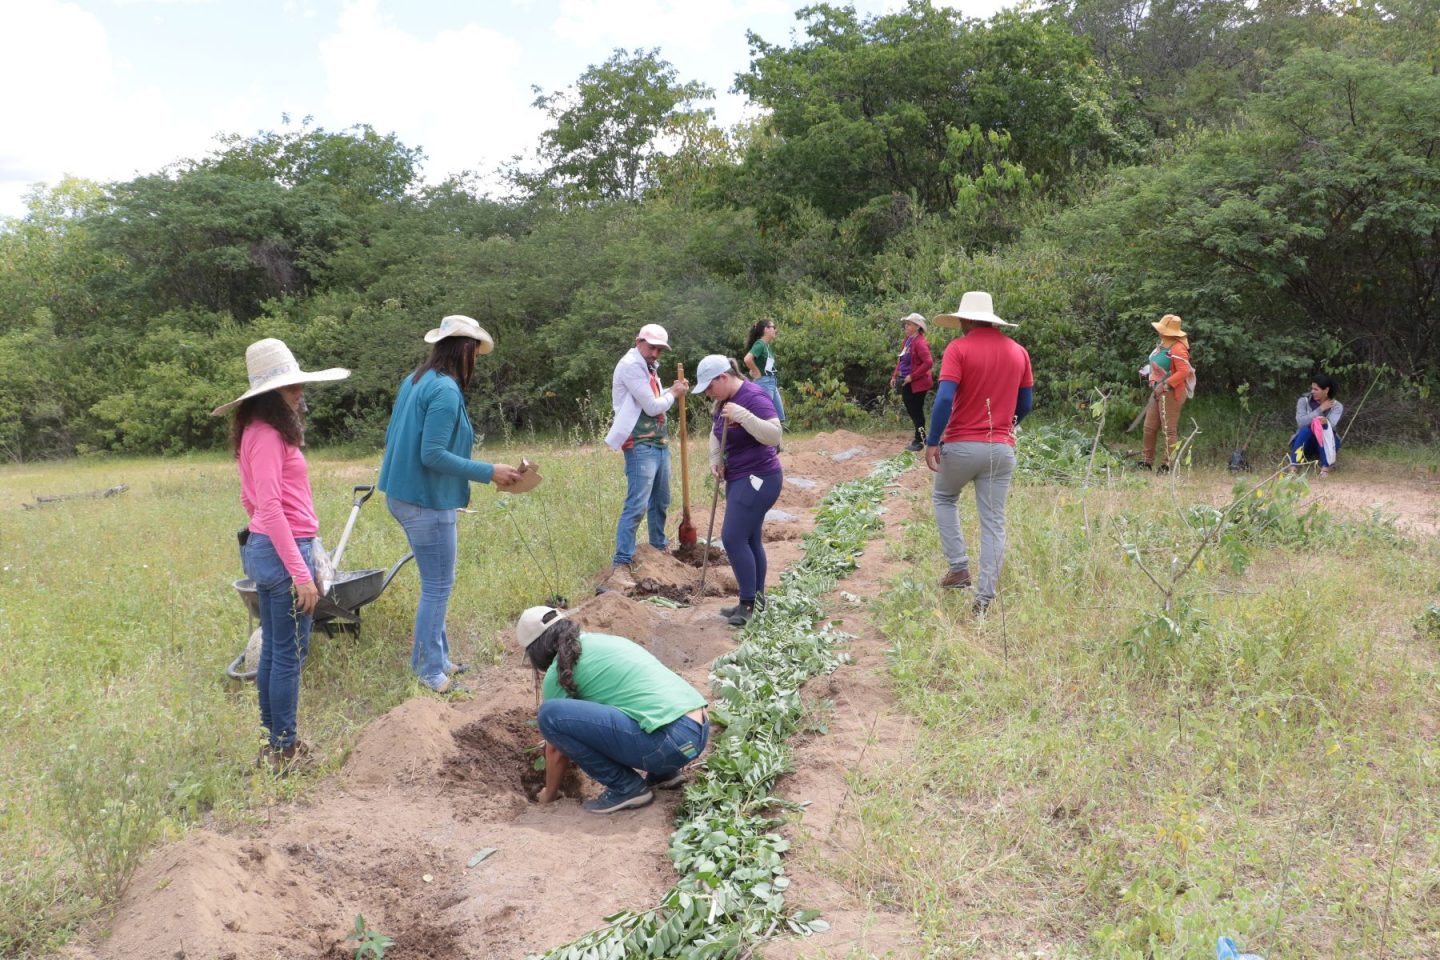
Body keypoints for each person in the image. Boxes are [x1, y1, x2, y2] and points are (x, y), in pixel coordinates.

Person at [213, 338, 350, 774]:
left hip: (271, 549)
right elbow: (269, 507)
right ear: (271, 396)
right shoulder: (269, 435)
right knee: (288, 653)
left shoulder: (254, 432)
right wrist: (301, 572)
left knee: (275, 651)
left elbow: (249, 500)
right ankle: (284, 749)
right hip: (283, 552)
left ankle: (274, 742)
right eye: (292, 389)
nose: (299, 394)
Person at [378, 315, 521, 695]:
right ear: (466, 349)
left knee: (435, 582)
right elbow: (432, 454)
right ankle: (428, 672)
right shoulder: (444, 390)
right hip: (424, 500)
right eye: (475, 351)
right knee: (438, 586)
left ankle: (438, 659)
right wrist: (489, 471)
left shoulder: (415, 379)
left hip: (403, 494)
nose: (476, 359)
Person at [518, 606, 710, 815]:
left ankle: (626, 787)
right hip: (696, 731)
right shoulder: (603, 641)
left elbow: (555, 750)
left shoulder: (557, 672)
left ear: (537, 651)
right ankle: (664, 773)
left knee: (549, 716)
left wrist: (549, 795)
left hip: (667, 744)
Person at [925, 292, 1033, 617]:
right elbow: (1025, 403)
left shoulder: (958, 349)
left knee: (944, 497)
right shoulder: (1018, 351)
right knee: (994, 523)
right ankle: (984, 598)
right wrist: (1006, 426)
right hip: (1001, 449)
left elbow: (944, 399)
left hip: (961, 445)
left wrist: (932, 440)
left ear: (967, 320)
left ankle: (959, 568)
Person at [691, 354, 783, 626]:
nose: (708, 393)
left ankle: (748, 605)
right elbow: (715, 431)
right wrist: (715, 458)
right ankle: (756, 600)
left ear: (723, 377)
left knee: (732, 538)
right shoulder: (723, 402)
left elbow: (774, 434)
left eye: (709, 387)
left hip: (760, 477)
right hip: (739, 476)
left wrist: (743, 416)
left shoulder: (754, 397)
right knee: (750, 540)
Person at [601, 324, 689, 590]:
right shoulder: (630, 365)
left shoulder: (649, 367)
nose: (655, 353)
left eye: (660, 349)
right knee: (637, 504)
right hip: (639, 443)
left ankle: (658, 549)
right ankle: (622, 562)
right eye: (651, 347)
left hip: (658, 442)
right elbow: (652, 406)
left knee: (661, 500)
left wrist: (669, 392)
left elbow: (655, 399)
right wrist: (673, 393)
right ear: (638, 341)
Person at [1138, 313, 1193, 473]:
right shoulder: (1163, 344)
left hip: (1170, 392)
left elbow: (1183, 371)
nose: (1159, 332)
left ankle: (1168, 465)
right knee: (1149, 427)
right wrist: (1148, 371)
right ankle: (1147, 461)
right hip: (1157, 390)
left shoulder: (1178, 347)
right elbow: (1158, 363)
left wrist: (1166, 385)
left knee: (1169, 429)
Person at [890, 312, 934, 452]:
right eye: (906, 324)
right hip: (907, 380)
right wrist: (895, 375)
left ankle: (919, 440)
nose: (906, 327)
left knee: (915, 410)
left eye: (909, 324)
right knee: (912, 409)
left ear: (917, 326)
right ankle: (921, 436)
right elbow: (902, 359)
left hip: (917, 383)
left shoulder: (920, 343)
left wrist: (912, 376)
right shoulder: (908, 340)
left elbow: (928, 362)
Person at [1290, 374, 1343, 476]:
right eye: (1312, 388)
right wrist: (1320, 409)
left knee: (1322, 427)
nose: (1312, 391)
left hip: (1326, 443)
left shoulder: (1337, 406)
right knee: (1306, 429)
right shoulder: (1303, 401)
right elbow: (1300, 423)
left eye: (1316, 389)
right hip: (1305, 442)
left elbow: (1330, 426)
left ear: (1326, 390)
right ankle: (1293, 467)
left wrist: (1322, 422)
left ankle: (1325, 468)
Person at [743, 318, 786, 423]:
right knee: (765, 418)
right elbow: (747, 359)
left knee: (779, 417)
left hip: (771, 383)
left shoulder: (766, 346)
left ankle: (775, 439)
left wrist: (754, 368)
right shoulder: (760, 344)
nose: (775, 330)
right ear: (765, 329)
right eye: (773, 327)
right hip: (764, 383)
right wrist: (756, 371)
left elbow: (759, 362)